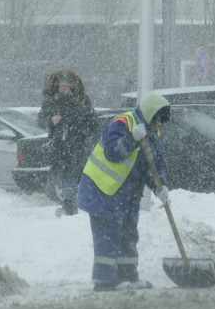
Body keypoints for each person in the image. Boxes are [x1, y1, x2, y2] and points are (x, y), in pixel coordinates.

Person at [76, 92, 171, 292]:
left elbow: (154, 164)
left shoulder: (154, 134)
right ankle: (105, 280)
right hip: (102, 191)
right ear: (150, 114)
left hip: (127, 194)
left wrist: (159, 186)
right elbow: (113, 153)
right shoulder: (122, 123)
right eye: (158, 121)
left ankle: (128, 275)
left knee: (128, 233)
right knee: (108, 235)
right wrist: (131, 139)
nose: (160, 126)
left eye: (162, 123)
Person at [37, 69, 99, 217]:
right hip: (59, 146)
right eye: (61, 86)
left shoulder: (82, 101)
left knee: (73, 174)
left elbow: (92, 122)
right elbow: (41, 120)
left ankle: (71, 205)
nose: (64, 89)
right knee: (64, 175)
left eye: (67, 86)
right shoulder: (51, 102)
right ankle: (70, 203)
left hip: (78, 145)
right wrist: (51, 120)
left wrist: (80, 129)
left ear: (72, 87)